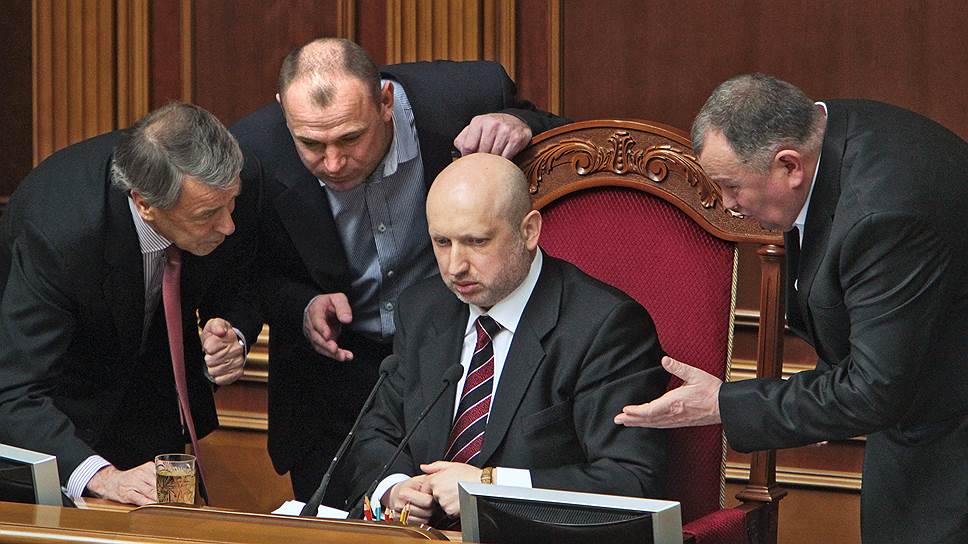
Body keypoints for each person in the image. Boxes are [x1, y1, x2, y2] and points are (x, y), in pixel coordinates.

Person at [614, 73, 968, 543]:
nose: (728, 205)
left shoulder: (883, 218)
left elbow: (875, 391)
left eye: (732, 186)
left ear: (789, 165)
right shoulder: (822, 129)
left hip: (948, 438)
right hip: (914, 411)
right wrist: (816, 404)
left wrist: (722, 403)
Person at [230, 37, 569, 504]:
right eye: (311, 144)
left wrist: (521, 124)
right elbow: (247, 271)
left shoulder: (465, 95)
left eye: (351, 138)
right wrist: (302, 306)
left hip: (457, 363)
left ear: (385, 101)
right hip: (334, 390)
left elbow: (574, 142)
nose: (333, 163)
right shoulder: (254, 150)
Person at [344, 153, 668, 525]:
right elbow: (376, 433)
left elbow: (630, 481)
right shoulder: (422, 308)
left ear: (529, 231)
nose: (455, 266)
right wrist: (395, 488)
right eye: (442, 242)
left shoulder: (604, 326)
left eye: (477, 241)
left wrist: (490, 486)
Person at [0, 102, 263, 506]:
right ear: (144, 204)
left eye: (232, 203)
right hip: (61, 421)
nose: (228, 224)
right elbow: (15, 389)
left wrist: (233, 331)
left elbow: (244, 273)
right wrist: (102, 476)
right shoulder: (61, 234)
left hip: (152, 400)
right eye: (208, 215)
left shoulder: (228, 184)